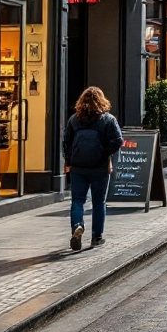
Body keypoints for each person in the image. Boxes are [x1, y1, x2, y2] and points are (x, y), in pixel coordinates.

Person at [64, 86, 124, 252]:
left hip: (78, 167)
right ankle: (96, 237)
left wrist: (68, 161)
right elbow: (118, 141)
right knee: (99, 202)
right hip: (100, 166)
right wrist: (106, 153)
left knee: (77, 200)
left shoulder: (74, 120)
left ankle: (77, 225)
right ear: (102, 100)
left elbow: (66, 142)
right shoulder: (108, 119)